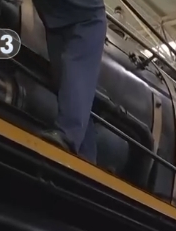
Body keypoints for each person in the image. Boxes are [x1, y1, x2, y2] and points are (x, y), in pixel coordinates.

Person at [32, 0, 106, 163]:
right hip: (56, 22)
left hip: (85, 20)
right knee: (65, 84)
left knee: (75, 74)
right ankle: (86, 156)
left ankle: (67, 136)